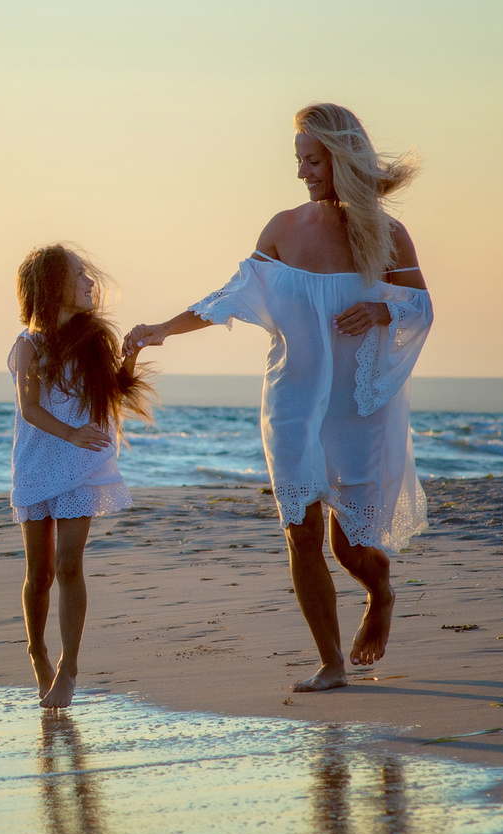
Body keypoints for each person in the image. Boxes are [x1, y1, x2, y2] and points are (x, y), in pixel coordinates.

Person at [124, 103, 432, 692]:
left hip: (356, 407)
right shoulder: (283, 228)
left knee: (352, 546)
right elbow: (231, 294)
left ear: (341, 159)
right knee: (300, 531)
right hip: (291, 402)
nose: (301, 173)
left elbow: (422, 307)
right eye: (298, 160)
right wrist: (162, 329)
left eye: (312, 161)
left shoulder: (388, 235)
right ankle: (331, 662)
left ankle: (381, 594)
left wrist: (382, 309)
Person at [9, 244, 152, 709]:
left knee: (69, 564)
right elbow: (29, 408)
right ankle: (37, 653)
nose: (90, 282)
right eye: (79, 275)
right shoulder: (28, 345)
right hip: (37, 462)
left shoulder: (93, 340)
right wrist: (70, 432)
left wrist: (130, 355)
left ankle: (68, 667)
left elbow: (116, 391)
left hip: (82, 464)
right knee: (40, 573)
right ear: (53, 287)